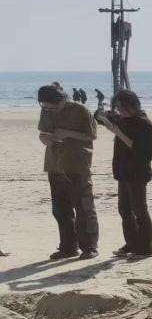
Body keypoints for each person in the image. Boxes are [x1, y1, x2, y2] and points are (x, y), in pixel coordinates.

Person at [37, 84, 99, 260]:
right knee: (60, 209)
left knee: (83, 207)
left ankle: (90, 247)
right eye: (45, 107)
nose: (49, 110)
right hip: (54, 164)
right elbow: (42, 133)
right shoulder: (46, 109)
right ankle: (68, 247)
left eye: (52, 107)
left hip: (77, 164)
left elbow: (92, 135)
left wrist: (68, 133)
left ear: (62, 100)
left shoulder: (80, 110)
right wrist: (44, 139)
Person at [98, 90, 152, 259]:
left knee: (139, 210)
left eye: (123, 107)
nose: (120, 111)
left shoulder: (144, 124)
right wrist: (103, 115)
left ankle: (146, 249)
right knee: (124, 210)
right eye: (117, 107)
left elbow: (144, 152)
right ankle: (132, 243)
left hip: (137, 172)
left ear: (133, 105)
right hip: (123, 171)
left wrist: (118, 133)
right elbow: (100, 118)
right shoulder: (122, 119)